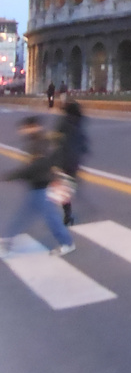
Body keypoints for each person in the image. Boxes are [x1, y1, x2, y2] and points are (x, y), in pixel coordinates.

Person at [1, 116, 75, 256]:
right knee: (22, 216)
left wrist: (12, 175)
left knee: (51, 218)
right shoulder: (36, 141)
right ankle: (7, 241)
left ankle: (67, 243)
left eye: (25, 128)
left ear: (33, 127)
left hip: (42, 187)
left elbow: (36, 166)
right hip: (35, 187)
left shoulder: (40, 143)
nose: (22, 131)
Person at [54, 100, 88, 226]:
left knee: (62, 187)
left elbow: (56, 140)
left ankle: (65, 214)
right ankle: (67, 214)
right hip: (75, 160)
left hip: (64, 159)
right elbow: (83, 141)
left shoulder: (63, 122)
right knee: (66, 187)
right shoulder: (79, 122)